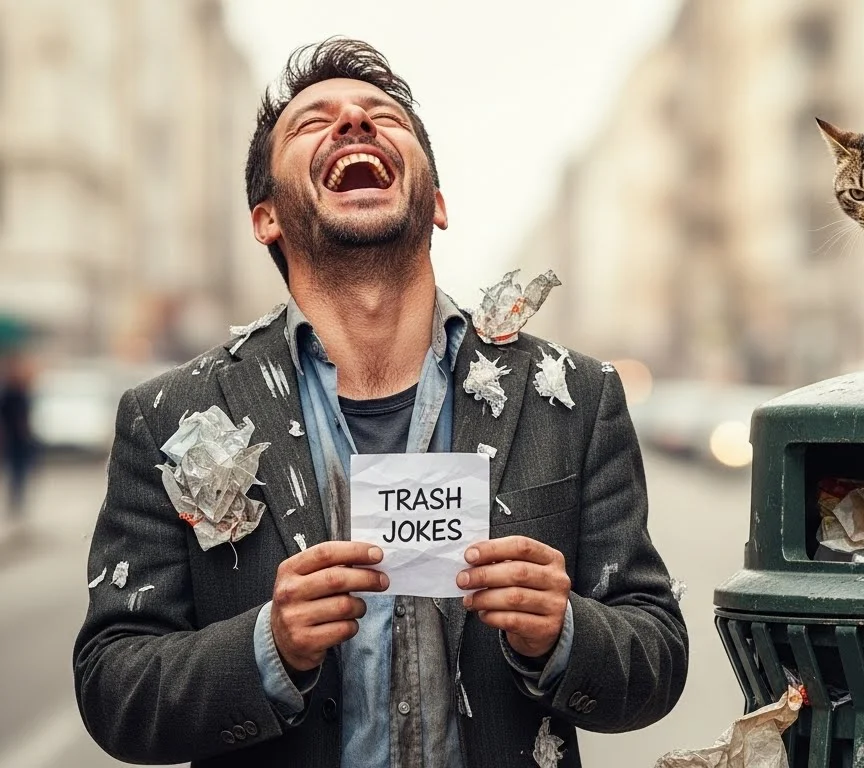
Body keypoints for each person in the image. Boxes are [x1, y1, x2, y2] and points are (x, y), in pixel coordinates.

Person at [73, 38, 687, 768]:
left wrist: (564, 632)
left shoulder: (576, 394)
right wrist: (268, 646)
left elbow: (656, 656)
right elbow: (112, 687)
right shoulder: (170, 415)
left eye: (380, 116)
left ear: (436, 203)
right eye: (312, 123)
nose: (354, 124)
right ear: (265, 218)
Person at [0, 352, 37, 522]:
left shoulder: (22, 391)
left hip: (23, 440)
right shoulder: (9, 392)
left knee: (22, 471)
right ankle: (15, 501)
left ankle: (18, 501)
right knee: (16, 471)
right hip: (14, 439)